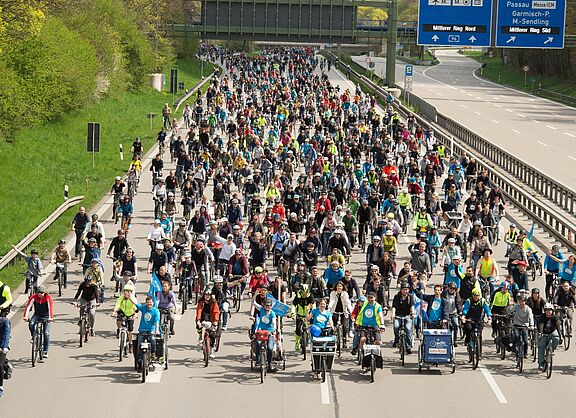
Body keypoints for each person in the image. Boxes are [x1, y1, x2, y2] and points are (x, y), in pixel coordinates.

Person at [23, 285, 54, 358]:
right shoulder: (34, 297)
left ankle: (45, 351)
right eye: (38, 292)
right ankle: (34, 336)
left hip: (46, 316)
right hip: (37, 315)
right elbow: (28, 306)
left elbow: (50, 308)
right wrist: (25, 316)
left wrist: (50, 318)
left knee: (46, 333)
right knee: (31, 323)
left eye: (41, 292)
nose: (40, 294)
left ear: (44, 292)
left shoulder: (48, 298)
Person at [461, 289, 492, 354]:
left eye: (477, 295)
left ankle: (479, 353)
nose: (476, 297)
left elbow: (487, 309)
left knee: (479, 335)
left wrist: (489, 317)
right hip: (470, 319)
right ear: (472, 295)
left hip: (479, 319)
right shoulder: (469, 301)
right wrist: (463, 316)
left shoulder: (483, 301)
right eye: (474, 295)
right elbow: (465, 309)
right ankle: (468, 341)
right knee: (468, 329)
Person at [253, 298, 277, 372]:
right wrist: (256, 294)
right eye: (266, 305)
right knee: (258, 343)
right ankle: (258, 359)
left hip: (269, 332)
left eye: (269, 305)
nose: (267, 307)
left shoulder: (272, 313)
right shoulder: (261, 309)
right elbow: (253, 303)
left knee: (270, 348)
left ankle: (269, 363)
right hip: (261, 332)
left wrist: (274, 330)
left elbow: (274, 323)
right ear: (264, 305)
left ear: (271, 306)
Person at [196, 287, 220, 358]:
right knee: (198, 326)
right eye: (206, 295)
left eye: (208, 295)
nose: (207, 296)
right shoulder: (201, 302)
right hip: (203, 317)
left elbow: (216, 312)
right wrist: (198, 320)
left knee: (212, 335)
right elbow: (199, 311)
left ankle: (211, 349)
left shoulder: (214, 302)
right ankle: (200, 335)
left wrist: (215, 321)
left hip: (211, 318)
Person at [112, 282, 136, 350]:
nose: (126, 293)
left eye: (128, 291)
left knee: (130, 331)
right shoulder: (121, 297)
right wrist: (114, 311)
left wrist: (135, 314)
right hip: (122, 312)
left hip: (130, 314)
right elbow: (118, 304)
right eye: (125, 291)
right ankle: (119, 329)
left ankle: (131, 343)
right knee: (118, 320)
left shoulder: (132, 298)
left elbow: (135, 306)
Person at [392, 282, 415, 354]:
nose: (405, 291)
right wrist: (393, 314)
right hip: (398, 315)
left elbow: (412, 306)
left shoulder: (410, 296)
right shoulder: (397, 296)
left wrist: (413, 313)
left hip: (407, 315)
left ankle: (408, 346)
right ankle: (396, 340)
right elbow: (394, 307)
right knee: (396, 326)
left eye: (407, 289)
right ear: (401, 290)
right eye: (404, 289)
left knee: (408, 329)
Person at [537, 303, 560, 372]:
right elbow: (541, 324)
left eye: (550, 310)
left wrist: (560, 336)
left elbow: (558, 326)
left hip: (552, 331)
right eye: (546, 310)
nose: (548, 312)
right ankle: (541, 363)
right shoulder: (543, 316)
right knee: (541, 346)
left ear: (552, 311)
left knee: (556, 338)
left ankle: (551, 350)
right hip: (544, 333)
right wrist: (541, 333)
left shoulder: (555, 317)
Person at [292, 284, 314, 351]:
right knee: (298, 329)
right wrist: (293, 313)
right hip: (299, 315)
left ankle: (312, 340)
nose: (304, 294)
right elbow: (293, 305)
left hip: (308, 315)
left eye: (305, 293)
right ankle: (297, 342)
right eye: (303, 293)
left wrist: (313, 314)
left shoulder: (310, 296)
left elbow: (313, 305)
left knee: (312, 327)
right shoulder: (297, 297)